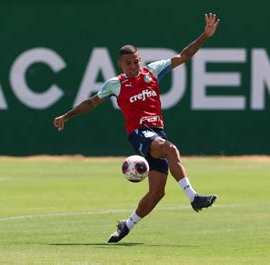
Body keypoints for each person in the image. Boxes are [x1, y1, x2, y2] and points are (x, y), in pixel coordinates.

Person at [54, 13, 220, 243]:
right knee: (171, 149)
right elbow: (91, 102)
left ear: (140, 59)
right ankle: (193, 198)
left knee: (157, 192)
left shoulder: (153, 71)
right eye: (127, 63)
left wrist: (205, 35)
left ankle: (126, 226)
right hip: (139, 134)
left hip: (156, 132)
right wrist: (67, 115)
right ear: (120, 64)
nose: (132, 66)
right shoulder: (116, 84)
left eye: (135, 62)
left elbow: (185, 55)